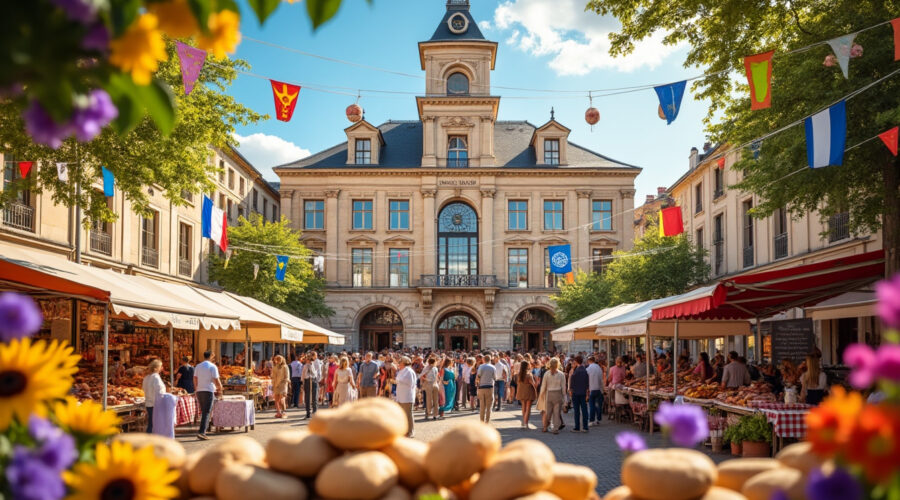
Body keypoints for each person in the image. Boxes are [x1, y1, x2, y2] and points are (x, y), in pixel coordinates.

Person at [193, 351, 223, 440]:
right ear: (210, 356)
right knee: (206, 412)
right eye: (213, 356)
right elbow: (216, 379)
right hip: (208, 390)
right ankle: (202, 432)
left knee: (204, 411)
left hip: (200, 390)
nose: (214, 358)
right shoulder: (212, 366)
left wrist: (196, 388)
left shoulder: (198, 366)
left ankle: (204, 430)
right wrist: (220, 388)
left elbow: (195, 378)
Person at [539, 357, 566, 434]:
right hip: (558, 394)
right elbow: (564, 387)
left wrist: (541, 395)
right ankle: (555, 428)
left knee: (548, 412)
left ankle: (545, 427)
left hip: (549, 393)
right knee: (556, 413)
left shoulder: (546, 374)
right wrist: (565, 399)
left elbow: (543, 386)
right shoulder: (561, 374)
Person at [142, 359, 166, 433]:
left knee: (151, 423)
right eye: (161, 366)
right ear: (157, 367)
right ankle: (151, 439)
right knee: (155, 423)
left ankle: (149, 438)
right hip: (156, 403)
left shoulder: (146, 378)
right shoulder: (156, 377)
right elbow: (159, 391)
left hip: (149, 403)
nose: (162, 368)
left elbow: (144, 389)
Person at [395, 356, 417, 437]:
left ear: (404, 363)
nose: (398, 364)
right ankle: (404, 431)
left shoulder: (409, 371)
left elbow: (410, 382)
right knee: (403, 415)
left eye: (400, 362)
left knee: (408, 415)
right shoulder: (402, 370)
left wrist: (399, 380)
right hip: (401, 396)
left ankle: (410, 432)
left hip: (407, 396)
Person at [516, 360, 537, 429]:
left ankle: (523, 421)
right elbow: (533, 383)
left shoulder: (519, 374)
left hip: (521, 391)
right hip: (528, 391)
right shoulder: (529, 374)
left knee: (523, 407)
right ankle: (526, 423)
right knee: (528, 408)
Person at [475, 356, 497, 424]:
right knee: (489, 407)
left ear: (483, 360)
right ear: (490, 360)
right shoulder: (493, 367)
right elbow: (495, 377)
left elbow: (478, 377)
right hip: (490, 387)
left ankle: (482, 422)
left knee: (482, 406)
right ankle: (487, 422)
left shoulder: (481, 367)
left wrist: (477, 385)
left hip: (481, 387)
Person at [301, 351, 321, 418]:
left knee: (314, 397)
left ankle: (315, 412)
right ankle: (308, 413)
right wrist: (303, 382)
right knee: (307, 397)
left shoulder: (313, 364)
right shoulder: (306, 365)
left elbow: (314, 373)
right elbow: (303, 375)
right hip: (307, 381)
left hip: (313, 380)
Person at [586, 355, 604, 426]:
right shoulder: (599, 368)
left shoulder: (588, 369)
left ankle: (591, 420)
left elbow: (586, 380)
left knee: (592, 405)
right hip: (599, 389)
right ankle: (598, 419)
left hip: (591, 388)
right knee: (598, 405)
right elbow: (601, 379)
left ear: (589, 361)